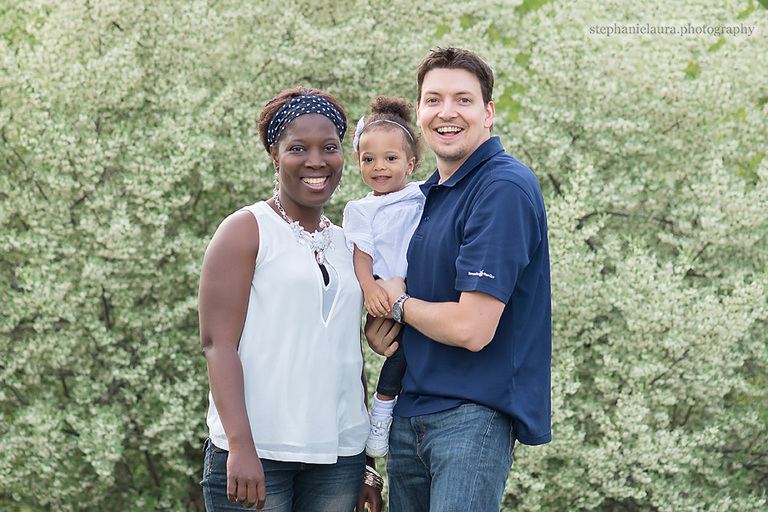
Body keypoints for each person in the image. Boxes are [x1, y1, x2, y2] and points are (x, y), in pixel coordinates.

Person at [366, 47, 552, 512]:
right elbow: (399, 289)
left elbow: (472, 328)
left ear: (488, 113)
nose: (446, 113)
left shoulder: (502, 187)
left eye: (463, 100)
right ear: (420, 113)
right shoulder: (423, 195)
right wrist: (381, 323)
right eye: (433, 100)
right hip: (409, 415)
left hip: (470, 418)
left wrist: (396, 306)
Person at [199, 87, 383, 512]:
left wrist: (366, 464)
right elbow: (217, 344)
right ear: (273, 153)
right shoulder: (246, 230)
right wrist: (241, 448)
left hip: (338, 458)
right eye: (298, 147)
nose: (316, 161)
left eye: (330, 147)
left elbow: (345, 352)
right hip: (257, 453)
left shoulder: (349, 244)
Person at [342, 96, 424, 458]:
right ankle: (382, 409)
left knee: (419, 345)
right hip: (385, 293)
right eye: (368, 159)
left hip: (421, 290)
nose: (379, 167)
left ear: (411, 163)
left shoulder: (423, 196)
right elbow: (362, 255)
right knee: (398, 351)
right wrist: (370, 287)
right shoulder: (361, 209)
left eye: (391, 159)